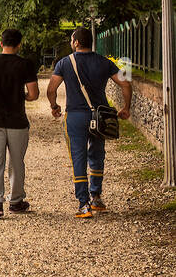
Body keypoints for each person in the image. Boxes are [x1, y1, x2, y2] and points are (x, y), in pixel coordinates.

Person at [45, 27, 133, 218]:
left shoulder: (64, 63)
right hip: (100, 116)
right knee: (97, 154)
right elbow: (126, 83)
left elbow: (51, 89)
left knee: (78, 157)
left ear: (76, 42)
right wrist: (126, 107)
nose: (71, 43)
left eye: (71, 40)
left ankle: (83, 205)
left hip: (75, 116)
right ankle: (97, 197)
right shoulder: (104, 62)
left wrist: (54, 106)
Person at [0, 28, 40, 219]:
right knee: (16, 163)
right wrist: (21, 97)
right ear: (19, 45)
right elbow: (34, 94)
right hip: (17, 121)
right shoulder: (25, 65)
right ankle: (17, 202)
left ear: (1, 43)